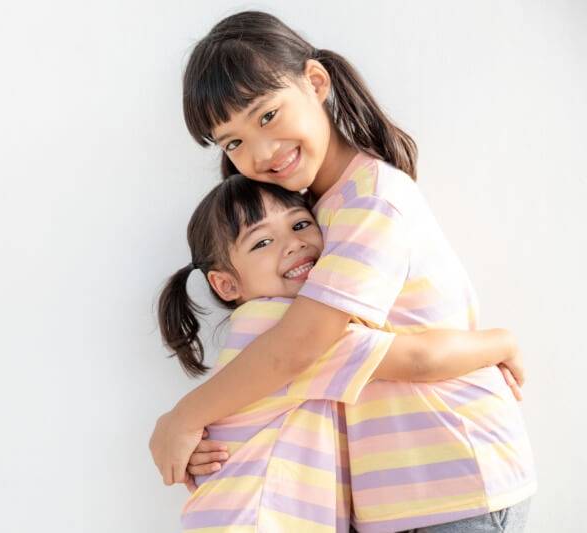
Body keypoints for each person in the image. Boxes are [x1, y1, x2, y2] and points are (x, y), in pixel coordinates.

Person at [151, 10, 535, 532]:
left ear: (315, 83)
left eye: (267, 116)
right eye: (233, 142)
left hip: (457, 481)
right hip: (397, 499)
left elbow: (299, 347)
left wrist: (186, 416)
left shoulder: (369, 200)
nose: (259, 152)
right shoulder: (310, 216)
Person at [158, 175, 523, 532]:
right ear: (226, 284)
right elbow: (418, 359)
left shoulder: (258, 327)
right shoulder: (285, 327)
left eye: (300, 224)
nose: (293, 244)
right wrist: (501, 342)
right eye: (262, 242)